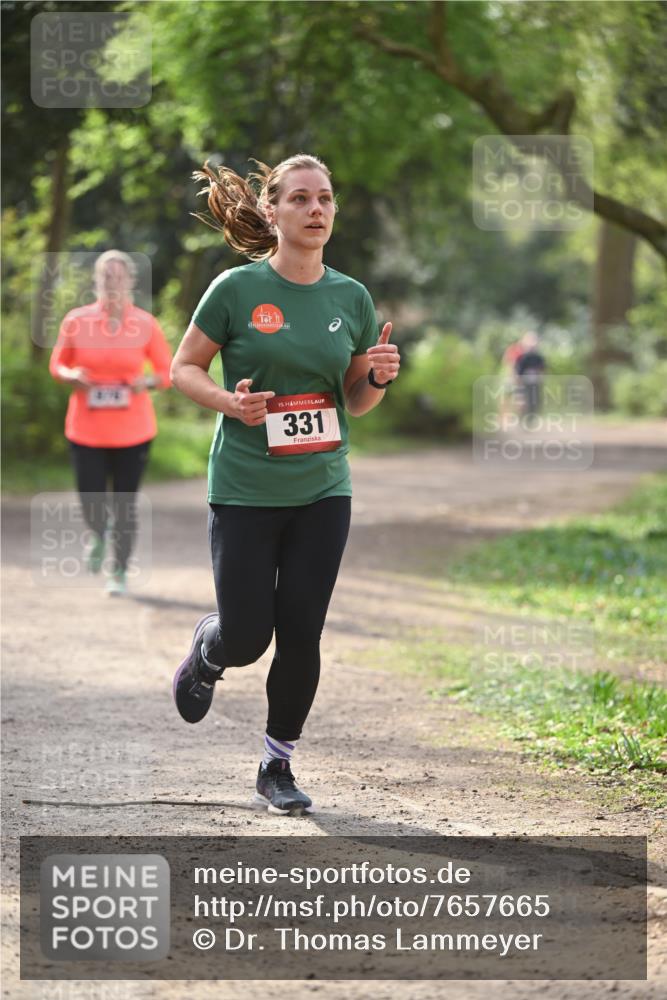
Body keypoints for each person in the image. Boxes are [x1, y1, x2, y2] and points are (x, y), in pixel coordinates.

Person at [171, 153, 400, 816]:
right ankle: (209, 652)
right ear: (270, 212)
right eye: (299, 198)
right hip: (244, 487)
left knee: (302, 629)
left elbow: (354, 402)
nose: (315, 209)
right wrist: (227, 402)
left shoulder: (350, 297)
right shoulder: (235, 291)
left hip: (323, 488)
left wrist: (378, 377)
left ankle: (277, 764)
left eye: (324, 198)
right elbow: (182, 368)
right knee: (248, 636)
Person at [49, 250, 172, 596]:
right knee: (90, 498)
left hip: (133, 431)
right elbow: (56, 365)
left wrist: (143, 382)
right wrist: (72, 374)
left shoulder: (146, 324)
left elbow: (168, 373)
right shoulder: (77, 320)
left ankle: (118, 570)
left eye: (119, 277)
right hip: (86, 428)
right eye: (106, 277)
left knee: (124, 504)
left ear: (131, 281)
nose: (112, 283)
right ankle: (97, 534)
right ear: (97, 281)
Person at [515, 331, 546, 416]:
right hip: (523, 383)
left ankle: (532, 417)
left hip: (535, 383)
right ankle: (523, 417)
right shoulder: (522, 358)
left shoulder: (539, 357)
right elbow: (518, 373)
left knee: (535, 401)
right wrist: (518, 384)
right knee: (522, 402)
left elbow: (542, 370)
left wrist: (540, 378)